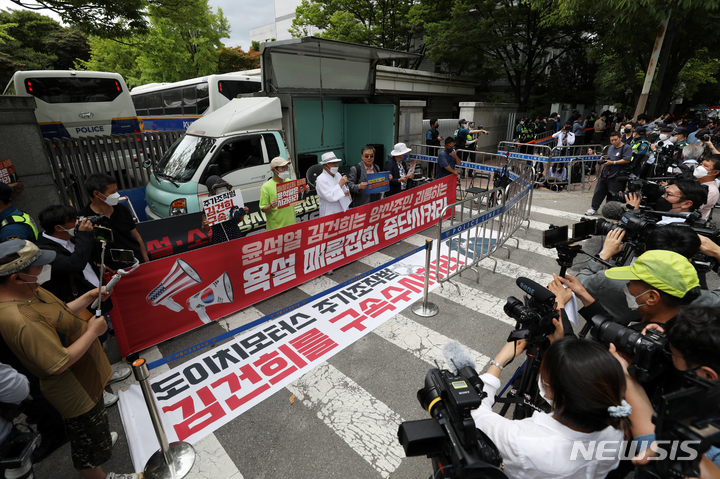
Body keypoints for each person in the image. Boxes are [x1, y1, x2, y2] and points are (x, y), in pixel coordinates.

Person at [0, 240, 138, 479]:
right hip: (75, 388)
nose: (45, 268)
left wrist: (88, 296)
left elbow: (59, 313)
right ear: (16, 277)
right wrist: (93, 332)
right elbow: (59, 363)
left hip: (86, 376)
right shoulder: (21, 319)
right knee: (87, 443)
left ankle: (99, 442)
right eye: (37, 266)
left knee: (94, 430)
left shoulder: (28, 289)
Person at [472, 334, 629, 479]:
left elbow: (475, 412)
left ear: (560, 395)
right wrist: (560, 343)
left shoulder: (523, 441)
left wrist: (499, 360)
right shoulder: (615, 427)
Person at [576, 225, 703, 325]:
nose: (627, 284)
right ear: (689, 261)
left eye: (630, 282)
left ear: (646, 250)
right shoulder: (700, 298)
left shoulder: (605, 279)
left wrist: (602, 255)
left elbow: (580, 281)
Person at [79, 173, 148, 269]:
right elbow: (81, 249)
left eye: (116, 191)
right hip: (110, 268)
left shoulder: (121, 209)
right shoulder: (84, 219)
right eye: (112, 192)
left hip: (135, 261)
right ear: (97, 194)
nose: (117, 195)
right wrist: (96, 266)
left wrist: (144, 256)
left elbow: (135, 235)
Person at [586, 131, 632, 216]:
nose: (614, 142)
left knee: (613, 195)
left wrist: (613, 162)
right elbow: (609, 158)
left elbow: (627, 159)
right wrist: (603, 159)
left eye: (615, 140)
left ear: (620, 138)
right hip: (605, 174)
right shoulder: (611, 148)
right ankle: (594, 208)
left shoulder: (626, 147)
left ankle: (611, 211)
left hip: (617, 175)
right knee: (598, 191)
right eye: (612, 140)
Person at [259, 157, 308, 231]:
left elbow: (295, 199)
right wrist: (270, 206)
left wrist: (304, 191)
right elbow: (263, 209)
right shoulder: (266, 187)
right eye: (283, 168)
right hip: (276, 228)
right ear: (274, 170)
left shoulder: (289, 181)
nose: (286, 171)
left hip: (291, 225)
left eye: (286, 168)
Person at [201, 176, 250, 243]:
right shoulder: (208, 206)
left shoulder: (233, 201)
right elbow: (206, 230)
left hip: (236, 235)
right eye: (218, 187)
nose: (222, 189)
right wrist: (205, 225)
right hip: (219, 239)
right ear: (212, 190)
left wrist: (243, 213)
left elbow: (238, 221)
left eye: (223, 186)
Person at [316, 151, 350, 217]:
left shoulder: (337, 174)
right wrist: (340, 184)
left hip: (342, 209)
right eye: (333, 163)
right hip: (329, 213)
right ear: (326, 165)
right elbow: (330, 196)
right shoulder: (321, 179)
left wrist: (347, 191)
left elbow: (343, 188)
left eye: (337, 163)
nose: (336, 165)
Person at [695, 154, 720, 220]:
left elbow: (691, 208)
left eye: (705, 166)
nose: (700, 167)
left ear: (715, 172)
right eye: (701, 164)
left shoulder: (711, 191)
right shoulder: (695, 181)